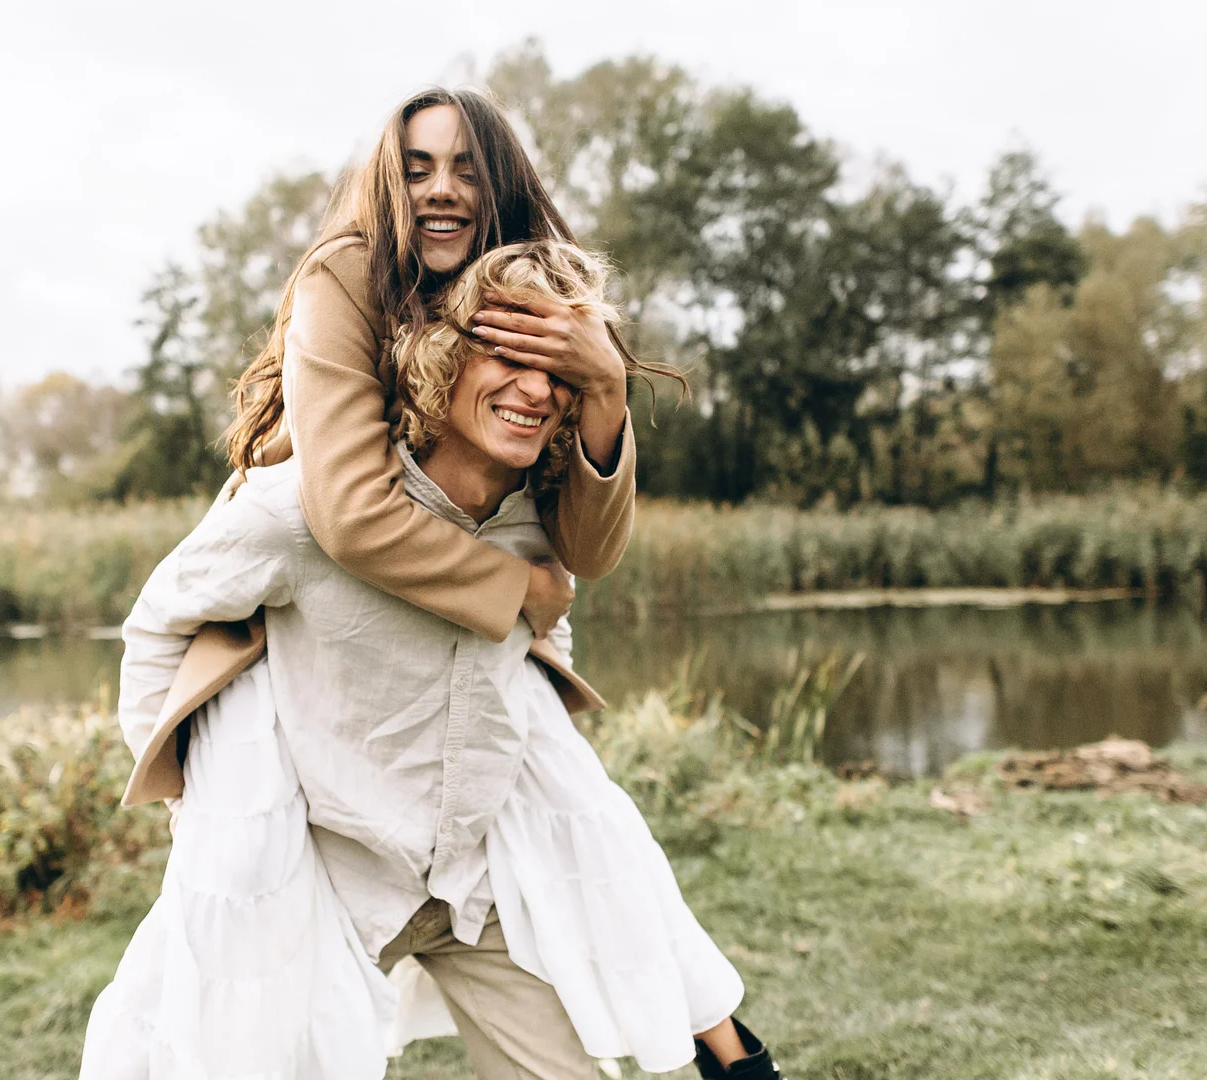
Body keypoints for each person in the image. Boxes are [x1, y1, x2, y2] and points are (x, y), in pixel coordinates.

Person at [82, 240, 780, 1080]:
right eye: (507, 357)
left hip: (469, 888)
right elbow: (156, 630)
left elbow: (544, 642)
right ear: (442, 360)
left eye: (560, 371)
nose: (535, 390)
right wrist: (203, 801)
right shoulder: (295, 517)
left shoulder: (537, 531)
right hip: (325, 884)